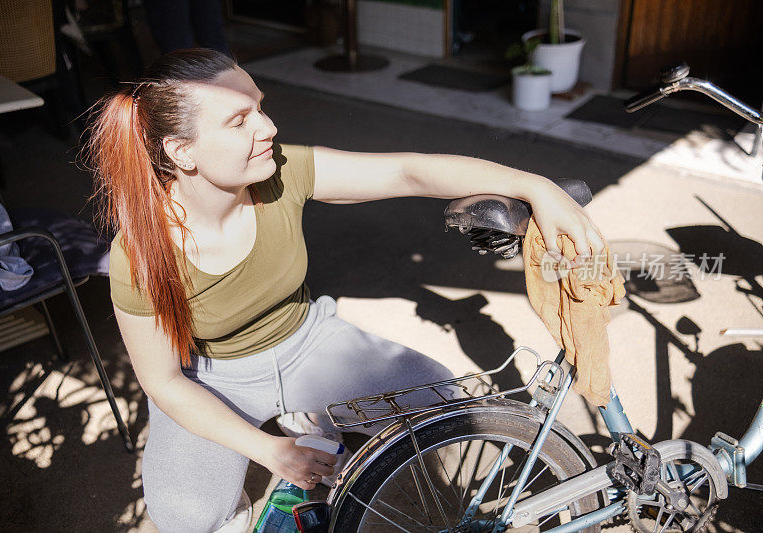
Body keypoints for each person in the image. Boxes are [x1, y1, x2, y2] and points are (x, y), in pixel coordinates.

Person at [86, 48, 605, 533]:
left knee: (445, 405)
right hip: (213, 375)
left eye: (260, 108)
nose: (268, 128)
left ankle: (311, 415)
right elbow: (164, 383)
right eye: (238, 121)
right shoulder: (140, 253)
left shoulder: (280, 173)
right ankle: (296, 433)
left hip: (306, 340)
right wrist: (270, 451)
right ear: (181, 152)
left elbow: (407, 171)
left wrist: (539, 187)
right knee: (187, 520)